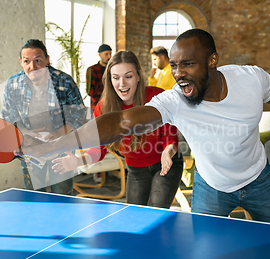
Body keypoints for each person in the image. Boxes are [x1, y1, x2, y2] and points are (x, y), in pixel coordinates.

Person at [22, 29, 270, 259]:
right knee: (205, 255)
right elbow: (123, 121)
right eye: (175, 65)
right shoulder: (175, 99)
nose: (179, 73)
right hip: (212, 187)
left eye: (188, 64)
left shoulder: (252, 79)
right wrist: (57, 145)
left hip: (259, 179)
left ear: (212, 60)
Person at [52, 51, 184, 208]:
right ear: (109, 79)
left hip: (166, 164)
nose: (122, 83)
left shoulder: (156, 96)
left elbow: (171, 135)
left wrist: (168, 150)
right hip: (136, 170)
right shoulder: (103, 108)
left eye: (128, 76)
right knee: (136, 217)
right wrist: (78, 162)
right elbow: (99, 148)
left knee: (156, 211)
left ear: (139, 76)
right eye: (116, 78)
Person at [2, 39, 86, 195]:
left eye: (38, 60)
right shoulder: (12, 84)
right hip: (30, 148)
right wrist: (25, 132)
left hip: (62, 147)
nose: (32, 67)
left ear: (47, 59)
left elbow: (79, 113)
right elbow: (8, 116)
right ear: (21, 62)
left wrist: (60, 132)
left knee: (62, 197)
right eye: (27, 61)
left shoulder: (64, 81)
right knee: (34, 196)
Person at [86, 44, 112, 111]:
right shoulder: (92, 70)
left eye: (110, 54)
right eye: (106, 54)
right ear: (100, 55)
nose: (109, 56)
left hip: (112, 106)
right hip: (97, 107)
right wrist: (106, 84)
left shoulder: (112, 70)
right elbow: (90, 92)